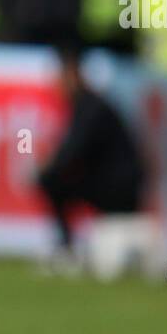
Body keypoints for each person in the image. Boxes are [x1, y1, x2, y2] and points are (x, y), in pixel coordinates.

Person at [36, 46, 145, 258]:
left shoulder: (90, 107)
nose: (57, 84)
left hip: (118, 186)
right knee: (53, 179)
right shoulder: (86, 105)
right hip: (114, 181)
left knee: (50, 180)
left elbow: (73, 151)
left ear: (74, 76)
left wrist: (47, 166)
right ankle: (68, 245)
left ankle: (66, 247)